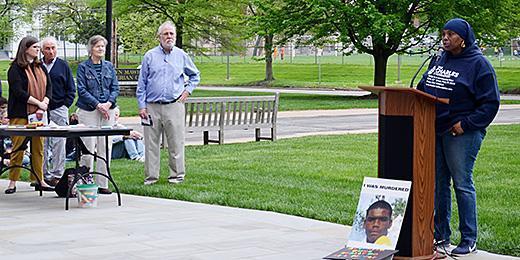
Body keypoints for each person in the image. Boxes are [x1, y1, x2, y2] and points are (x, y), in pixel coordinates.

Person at [417, 18, 500, 256]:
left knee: (462, 184)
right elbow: (424, 87)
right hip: (435, 128)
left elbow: (490, 103)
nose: (445, 38)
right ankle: (441, 236)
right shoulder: (439, 59)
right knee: (439, 184)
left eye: (451, 34)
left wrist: (465, 124)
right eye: (443, 33)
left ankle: (468, 239)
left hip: (461, 133)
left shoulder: (478, 64)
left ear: (463, 39)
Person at [137, 21, 200, 185]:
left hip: (174, 105)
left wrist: (187, 91)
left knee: (176, 142)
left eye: (171, 34)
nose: (169, 37)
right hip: (152, 106)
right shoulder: (149, 56)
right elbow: (142, 83)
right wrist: (142, 106)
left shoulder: (181, 55)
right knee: (151, 144)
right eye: (165, 34)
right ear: (159, 36)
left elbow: (195, 76)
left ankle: (177, 176)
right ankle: (151, 177)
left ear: (175, 36)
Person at [5, 36, 54, 194]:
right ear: (25, 49)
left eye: (39, 48)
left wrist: (45, 102)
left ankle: (39, 179)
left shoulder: (40, 67)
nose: (38, 50)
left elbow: (49, 87)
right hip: (20, 114)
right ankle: (12, 182)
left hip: (39, 114)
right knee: (18, 148)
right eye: (35, 47)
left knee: (38, 148)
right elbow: (19, 92)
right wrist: (38, 103)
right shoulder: (15, 69)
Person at [76, 35, 119, 195]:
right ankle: (86, 181)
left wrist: (108, 104)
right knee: (88, 146)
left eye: (103, 46)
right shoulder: (83, 67)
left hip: (108, 110)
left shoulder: (109, 66)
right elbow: (81, 90)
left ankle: (103, 183)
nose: (101, 49)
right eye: (97, 46)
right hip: (89, 110)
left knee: (105, 146)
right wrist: (97, 104)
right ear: (91, 49)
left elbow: (115, 87)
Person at [41, 37, 76, 186]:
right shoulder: (37, 66)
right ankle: (42, 174)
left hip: (59, 108)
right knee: (42, 143)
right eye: (47, 48)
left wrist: (65, 106)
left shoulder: (63, 65)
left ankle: (57, 175)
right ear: (42, 50)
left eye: (53, 48)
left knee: (59, 143)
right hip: (40, 110)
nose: (51, 51)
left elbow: (71, 88)